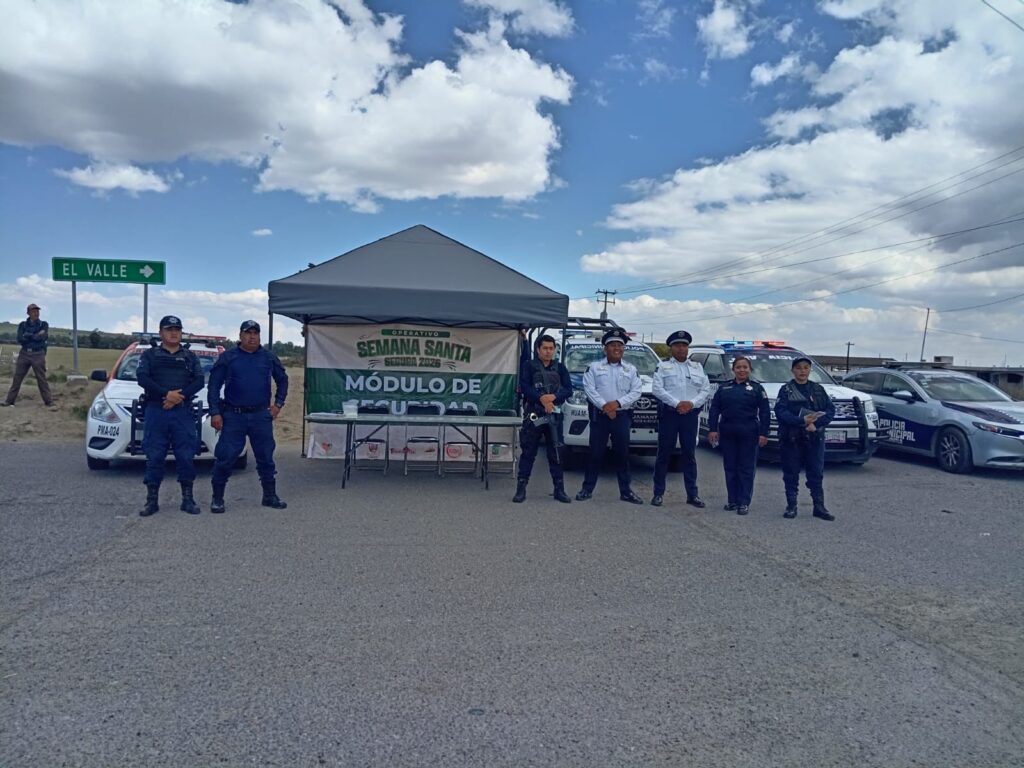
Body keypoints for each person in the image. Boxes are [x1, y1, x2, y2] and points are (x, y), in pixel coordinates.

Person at [207, 320, 289, 513]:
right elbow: (214, 386)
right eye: (248, 333)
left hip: (261, 416)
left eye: (255, 333)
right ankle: (217, 498)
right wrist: (215, 412)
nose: (252, 337)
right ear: (240, 335)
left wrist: (278, 405)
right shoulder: (228, 357)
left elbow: (283, 380)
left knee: (265, 457)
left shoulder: (268, 357)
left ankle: (269, 496)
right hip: (234, 416)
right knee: (226, 457)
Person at [135, 315, 205, 517]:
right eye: (169, 329)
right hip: (157, 410)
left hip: (182, 411)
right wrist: (166, 394)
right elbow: (142, 378)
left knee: (186, 455)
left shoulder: (190, 356)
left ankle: (187, 500)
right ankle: (151, 501)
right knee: (155, 455)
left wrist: (177, 397)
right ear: (161, 332)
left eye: (177, 329)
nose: (174, 333)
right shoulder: (150, 355)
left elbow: (199, 381)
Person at [575, 328, 644, 504]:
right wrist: (606, 406)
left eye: (620, 345)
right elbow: (589, 389)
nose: (617, 348)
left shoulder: (631, 369)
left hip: (621, 416)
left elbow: (636, 391)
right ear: (605, 349)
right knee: (595, 454)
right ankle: (587, 489)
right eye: (613, 345)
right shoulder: (594, 367)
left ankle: (626, 491)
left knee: (622, 454)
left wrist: (617, 404)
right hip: (600, 416)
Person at [650, 330, 711, 508]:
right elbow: (657, 389)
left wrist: (691, 404)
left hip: (689, 416)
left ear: (688, 348)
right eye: (677, 345)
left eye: (684, 345)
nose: (681, 348)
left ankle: (692, 495)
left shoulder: (697, 367)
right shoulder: (663, 366)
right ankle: (658, 493)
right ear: (671, 348)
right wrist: (677, 403)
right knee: (664, 454)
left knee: (689, 455)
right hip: (670, 414)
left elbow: (705, 390)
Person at [774, 357, 836, 521]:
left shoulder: (818, 389)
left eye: (806, 367)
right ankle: (791, 506)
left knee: (816, 472)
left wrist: (817, 424)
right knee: (791, 472)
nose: (802, 371)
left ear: (810, 370)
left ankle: (819, 507)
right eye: (799, 368)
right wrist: (801, 421)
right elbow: (781, 412)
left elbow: (830, 411)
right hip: (792, 438)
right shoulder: (786, 390)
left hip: (814, 437)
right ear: (793, 370)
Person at [707, 356, 770, 515]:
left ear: (750, 369)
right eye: (738, 367)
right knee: (730, 467)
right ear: (733, 370)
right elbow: (714, 409)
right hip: (728, 431)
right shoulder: (724, 388)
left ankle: (744, 502)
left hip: (749, 432)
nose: (742, 370)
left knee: (746, 468)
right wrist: (713, 429)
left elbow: (765, 412)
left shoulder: (757, 388)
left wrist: (764, 433)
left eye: (745, 367)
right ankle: (732, 500)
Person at [514, 334, 572, 504]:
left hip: (554, 415)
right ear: (538, 349)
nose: (548, 351)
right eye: (545, 348)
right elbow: (525, 387)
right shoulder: (529, 366)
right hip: (534, 414)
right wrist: (541, 399)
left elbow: (568, 389)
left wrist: (553, 397)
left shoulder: (560, 368)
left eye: (551, 348)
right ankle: (521, 489)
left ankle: (559, 490)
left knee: (556, 452)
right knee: (528, 452)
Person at [3, 303, 54, 408]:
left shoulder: (44, 324)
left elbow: (43, 337)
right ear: (28, 313)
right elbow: (20, 339)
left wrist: (28, 335)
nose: (36, 313)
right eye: (33, 311)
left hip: (38, 353)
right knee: (17, 378)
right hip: (24, 353)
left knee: (41, 378)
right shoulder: (22, 325)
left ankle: (49, 401)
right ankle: (9, 401)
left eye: (37, 311)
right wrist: (36, 335)